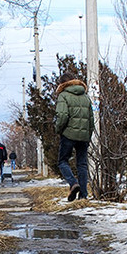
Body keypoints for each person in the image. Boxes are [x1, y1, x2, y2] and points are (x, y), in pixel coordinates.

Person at [54, 72, 94, 201]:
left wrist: (58, 129)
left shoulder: (63, 95)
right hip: (84, 136)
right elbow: (91, 119)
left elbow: (62, 115)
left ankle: (73, 183)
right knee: (82, 164)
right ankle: (83, 195)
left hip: (68, 134)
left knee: (62, 161)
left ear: (62, 84)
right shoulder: (85, 96)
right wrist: (88, 135)